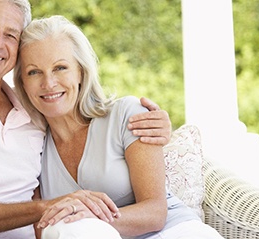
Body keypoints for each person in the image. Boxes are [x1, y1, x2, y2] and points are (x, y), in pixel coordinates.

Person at [0, 0, 172, 238]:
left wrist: (157, 123)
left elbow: (78, 105)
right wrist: (48, 208)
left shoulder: (33, 112)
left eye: (11, 35)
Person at [14, 15, 225, 239]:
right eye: (34, 72)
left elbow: (155, 213)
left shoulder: (128, 115)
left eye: (60, 68)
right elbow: (41, 227)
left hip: (174, 232)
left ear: (81, 72)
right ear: (23, 82)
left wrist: (92, 218)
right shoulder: (32, 147)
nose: (49, 83)